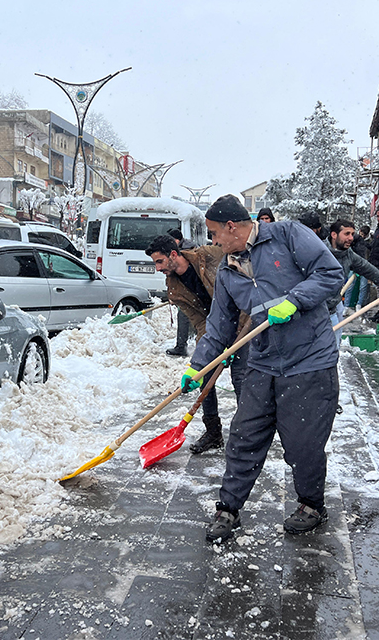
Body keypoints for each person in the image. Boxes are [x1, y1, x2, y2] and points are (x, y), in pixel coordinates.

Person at [182, 194, 344, 542]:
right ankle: (228, 509)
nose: (213, 242)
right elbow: (218, 326)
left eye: (214, 234)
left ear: (231, 226)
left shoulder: (287, 235)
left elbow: (331, 273)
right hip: (263, 361)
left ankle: (312, 505)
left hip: (309, 359)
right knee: (244, 437)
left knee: (303, 443)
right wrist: (197, 368)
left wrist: (295, 300)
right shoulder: (227, 271)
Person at [146, 234, 248, 454]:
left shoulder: (210, 256)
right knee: (202, 377)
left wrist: (236, 338)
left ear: (173, 254)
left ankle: (247, 436)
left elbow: (242, 290)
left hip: (244, 324)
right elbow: (199, 321)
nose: (157, 268)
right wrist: (208, 348)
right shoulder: (174, 287)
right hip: (214, 331)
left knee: (243, 383)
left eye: (159, 261)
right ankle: (213, 433)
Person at [326, 219, 379, 346]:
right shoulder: (318, 251)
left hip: (332, 308)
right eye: (346, 234)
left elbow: (367, 268)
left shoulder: (348, 255)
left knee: (332, 348)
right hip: (313, 309)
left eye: (352, 234)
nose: (351, 238)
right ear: (334, 235)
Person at [164, 228, 198, 356]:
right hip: (186, 292)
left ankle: (182, 347)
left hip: (192, 292)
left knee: (186, 317)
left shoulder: (186, 252)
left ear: (176, 240)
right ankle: (187, 345)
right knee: (189, 318)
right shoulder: (180, 249)